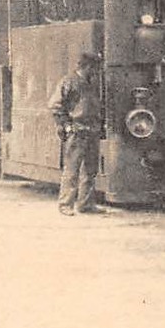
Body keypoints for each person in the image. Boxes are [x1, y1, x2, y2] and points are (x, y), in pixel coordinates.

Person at [50, 51, 106, 215]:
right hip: (77, 131)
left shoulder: (91, 83)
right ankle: (65, 205)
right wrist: (66, 125)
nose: (96, 71)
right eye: (94, 68)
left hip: (92, 131)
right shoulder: (69, 82)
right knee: (72, 169)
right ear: (87, 67)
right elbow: (55, 105)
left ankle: (85, 204)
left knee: (90, 170)